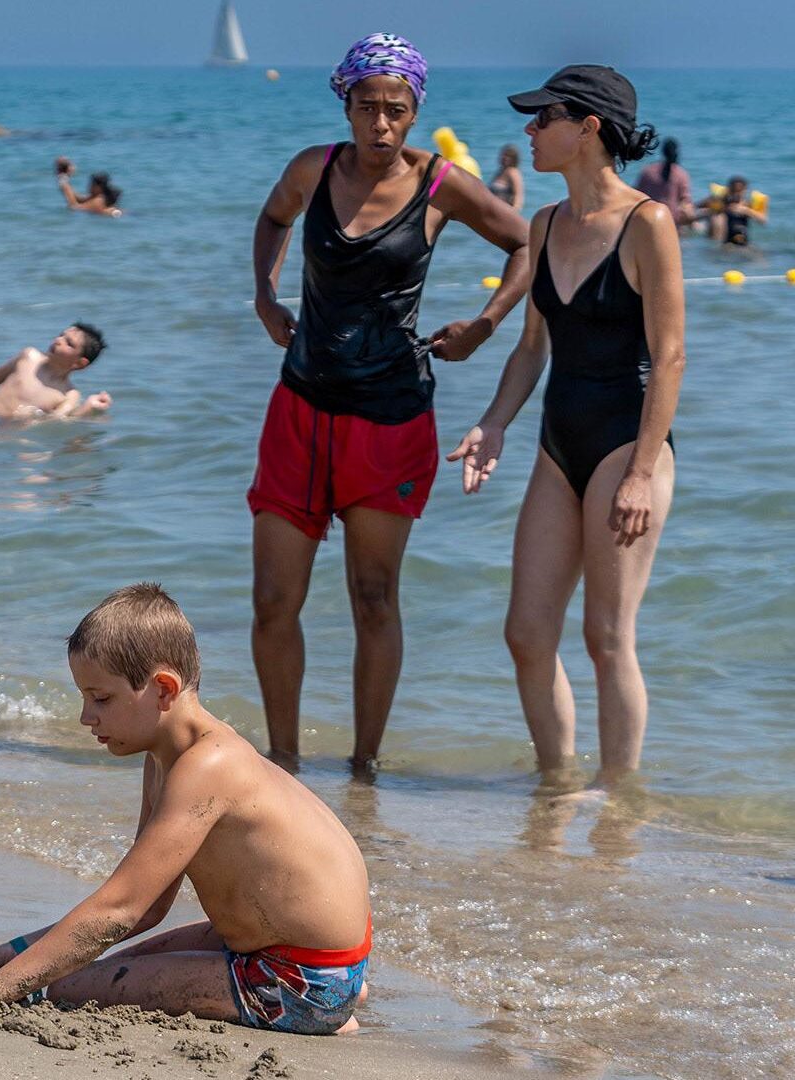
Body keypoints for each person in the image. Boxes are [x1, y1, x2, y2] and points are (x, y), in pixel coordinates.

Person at [247, 33, 531, 774]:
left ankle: (364, 770)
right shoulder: (312, 169)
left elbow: (527, 243)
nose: (380, 124)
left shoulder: (441, 184)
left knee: (373, 597)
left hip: (391, 417)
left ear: (415, 112)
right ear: (345, 105)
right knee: (274, 600)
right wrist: (265, 296)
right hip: (300, 408)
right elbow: (273, 218)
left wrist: (485, 325)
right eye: (367, 107)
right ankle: (282, 761)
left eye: (395, 110)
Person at [0, 584, 372, 1036]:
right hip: (302, 955)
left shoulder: (209, 766)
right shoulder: (164, 759)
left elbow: (121, 908)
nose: (86, 717)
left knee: (61, 988)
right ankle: (340, 998)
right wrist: (15, 952)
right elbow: (149, 907)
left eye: (101, 699)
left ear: (163, 689)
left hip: (299, 977)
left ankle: (324, 1007)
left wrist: (1, 985)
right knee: (94, 968)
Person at [448, 65, 685, 785]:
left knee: (607, 637)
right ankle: (557, 789)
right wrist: (493, 424)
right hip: (560, 443)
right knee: (526, 632)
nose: (529, 130)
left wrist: (641, 473)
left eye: (543, 117)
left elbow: (671, 357)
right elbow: (532, 348)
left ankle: (617, 804)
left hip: (627, 444)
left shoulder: (648, 224)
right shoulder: (545, 223)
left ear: (588, 128)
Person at [0, 325, 112, 421]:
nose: (58, 340)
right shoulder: (29, 357)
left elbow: (59, 421)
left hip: (5, 437)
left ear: (79, 363)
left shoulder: (69, 395)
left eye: (69, 343)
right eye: (61, 335)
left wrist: (88, 407)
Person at [633, 137, 693, 226]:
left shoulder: (648, 171)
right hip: (672, 222)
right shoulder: (681, 174)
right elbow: (686, 204)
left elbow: (637, 195)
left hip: (648, 220)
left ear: (663, 152)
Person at [699, 175, 766, 245]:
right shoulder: (720, 201)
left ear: (745, 190)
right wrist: (717, 210)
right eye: (733, 191)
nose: (736, 194)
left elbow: (763, 220)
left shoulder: (747, 204)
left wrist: (746, 211)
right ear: (728, 189)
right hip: (722, 241)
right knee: (716, 218)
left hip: (741, 239)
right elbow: (697, 209)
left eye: (739, 191)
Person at [56, 158, 121, 216]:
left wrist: (63, 182)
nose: (89, 187)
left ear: (98, 188)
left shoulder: (98, 201)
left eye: (91, 184)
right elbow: (79, 199)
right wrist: (64, 177)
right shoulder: (100, 197)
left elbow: (74, 207)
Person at [488, 144, 524, 210]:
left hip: (504, 210)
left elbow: (518, 195)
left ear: (514, 159)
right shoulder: (500, 171)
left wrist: (514, 211)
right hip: (494, 210)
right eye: (504, 155)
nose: (505, 158)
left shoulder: (513, 172)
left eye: (508, 156)